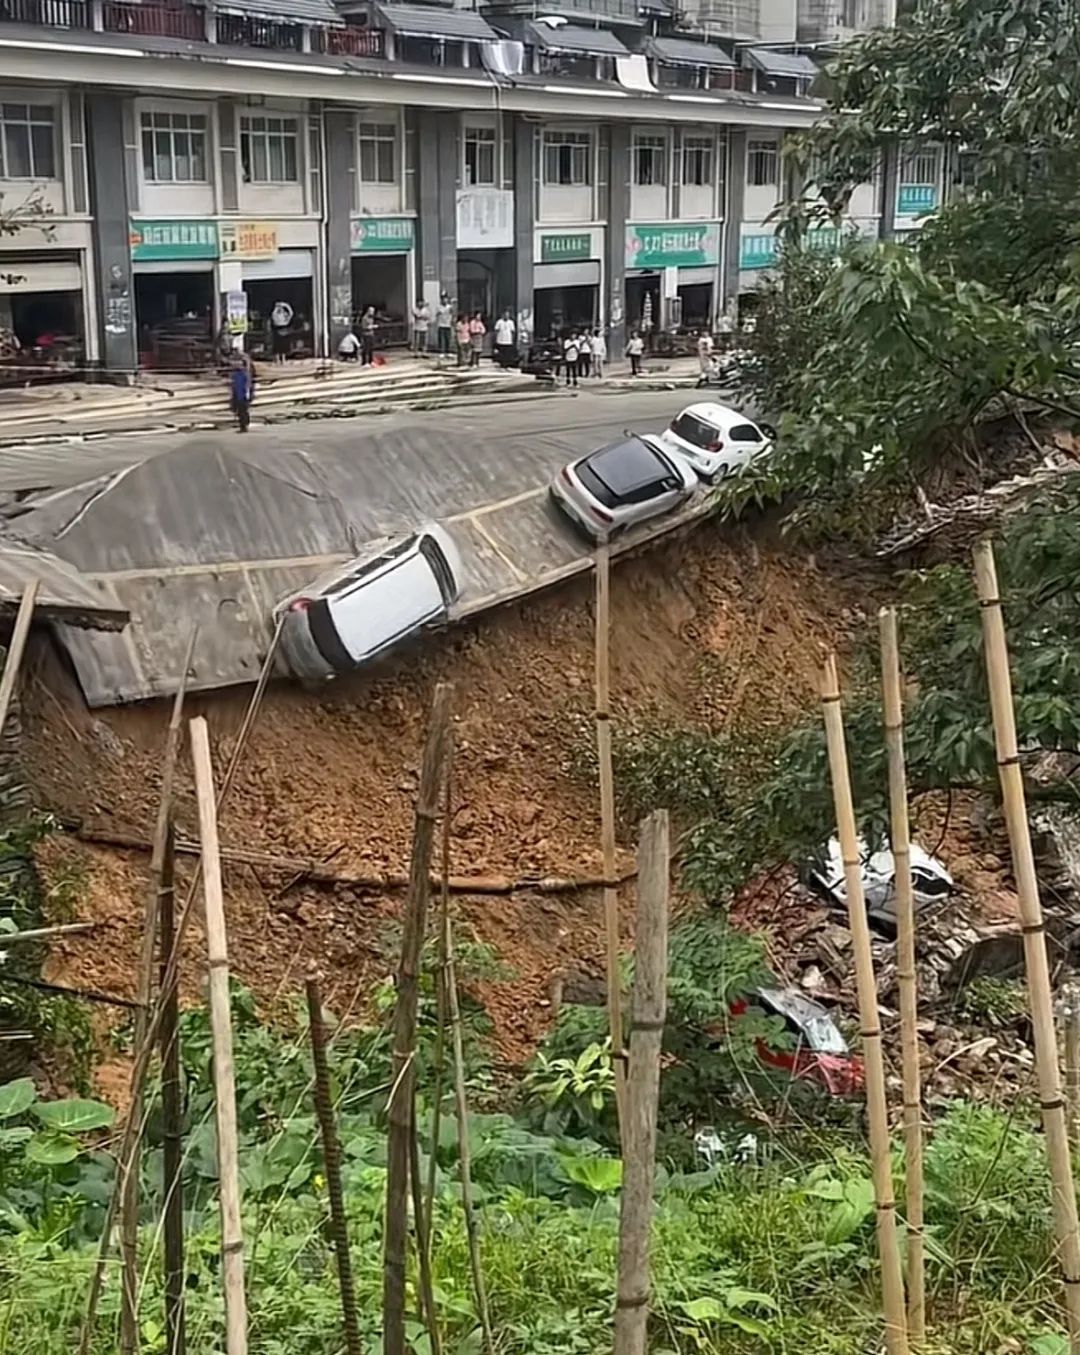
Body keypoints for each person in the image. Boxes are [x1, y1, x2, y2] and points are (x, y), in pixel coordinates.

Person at [229, 355, 253, 432]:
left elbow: (248, 384)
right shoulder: (235, 374)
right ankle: (242, 425)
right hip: (237, 394)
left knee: (243, 411)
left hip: (243, 395)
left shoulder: (244, 374)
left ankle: (244, 426)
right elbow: (233, 385)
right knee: (239, 411)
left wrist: (248, 394)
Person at [269, 299, 293, 363]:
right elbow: (273, 314)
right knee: (277, 346)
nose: (281, 310)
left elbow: (291, 313)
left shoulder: (285, 315)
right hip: (277, 329)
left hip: (284, 328)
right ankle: (277, 359)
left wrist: (285, 305)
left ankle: (283, 359)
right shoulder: (275, 315)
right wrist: (277, 308)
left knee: (284, 345)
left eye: (282, 309)